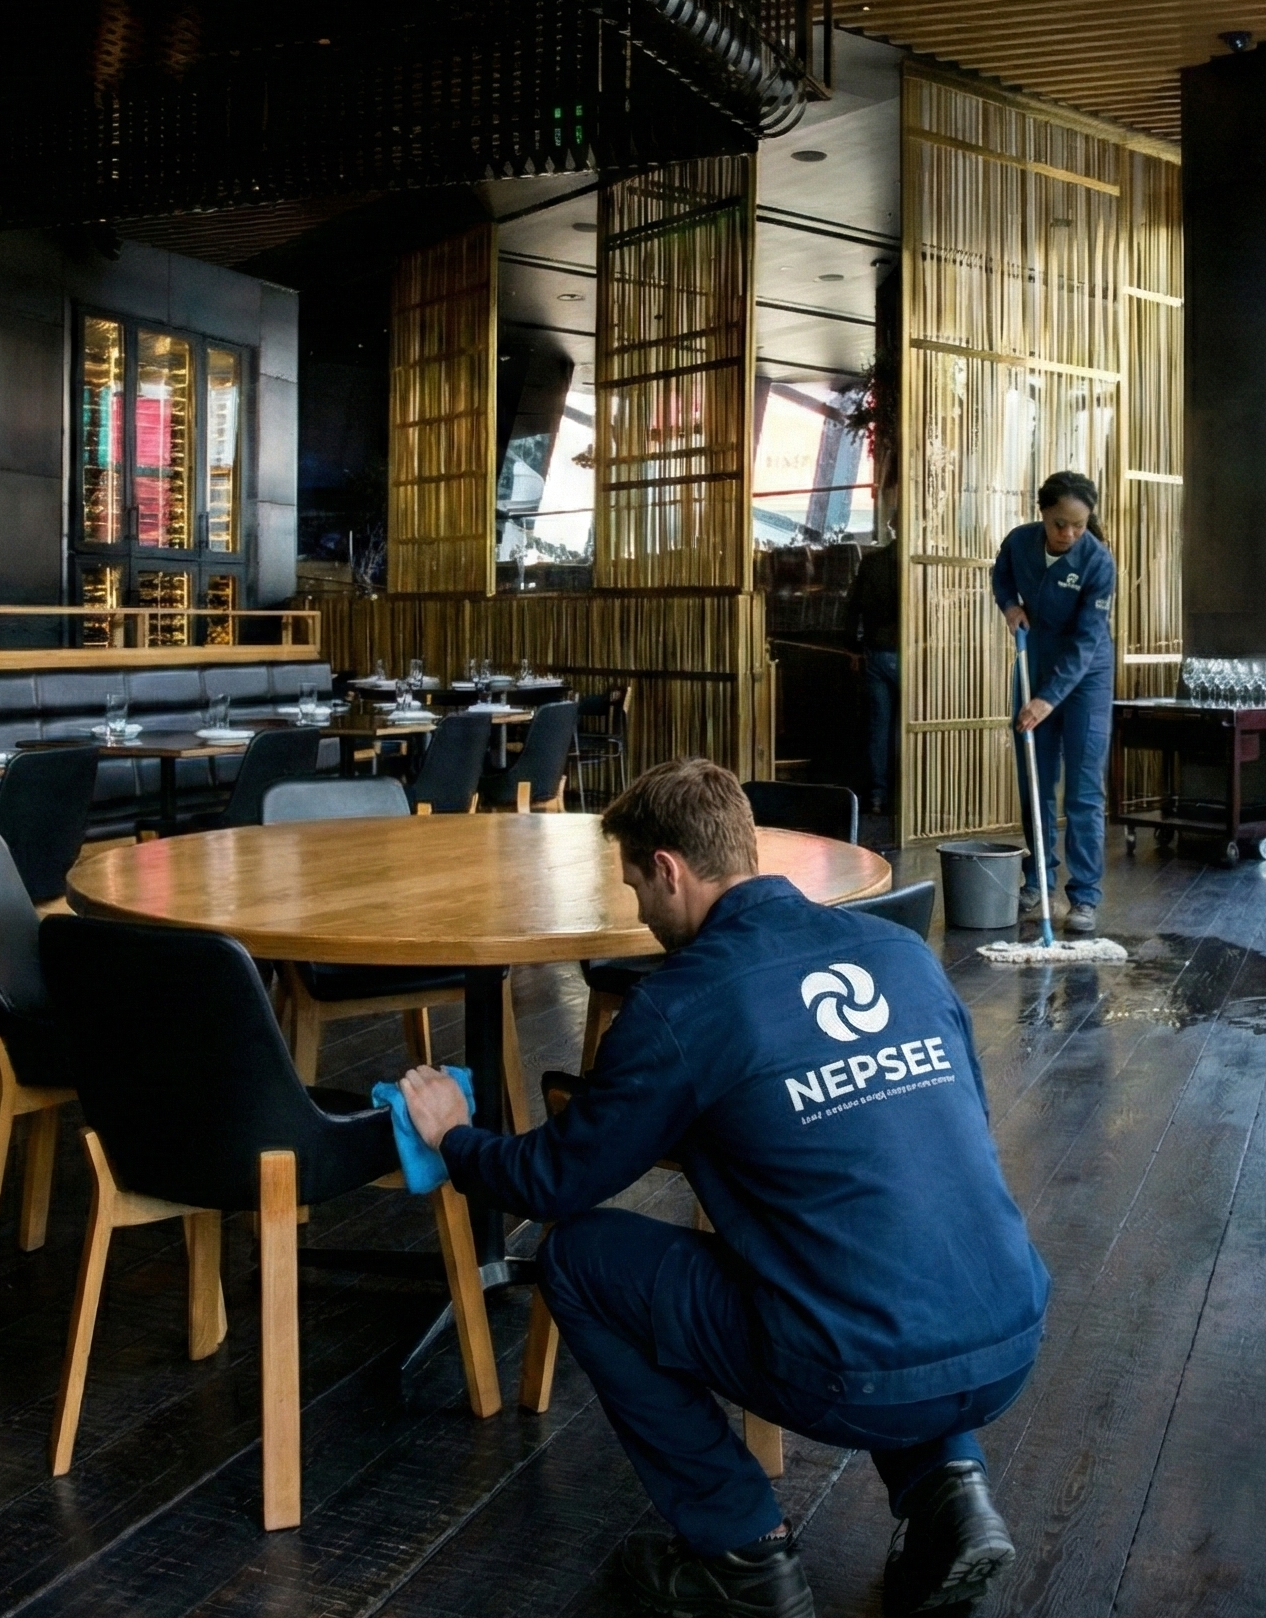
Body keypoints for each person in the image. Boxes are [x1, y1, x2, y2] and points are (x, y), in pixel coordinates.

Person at [397, 759, 1047, 1618]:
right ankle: (951, 1492)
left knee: (582, 1258)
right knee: (897, 1218)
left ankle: (742, 1550)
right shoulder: (901, 952)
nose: (636, 911)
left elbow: (554, 1180)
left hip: (854, 1373)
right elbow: (958, 1125)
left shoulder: (681, 1005)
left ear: (670, 867)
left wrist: (453, 1136)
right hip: (1010, 1335)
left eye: (636, 885)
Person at [991, 471, 1116, 931]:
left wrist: (1047, 700)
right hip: (1035, 662)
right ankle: (1037, 881)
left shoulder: (1098, 563)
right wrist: (1009, 607)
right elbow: (1001, 576)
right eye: (1060, 523)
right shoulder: (1021, 542)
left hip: (1086, 677)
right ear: (1042, 514)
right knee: (1035, 782)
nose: (1068, 534)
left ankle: (1084, 896)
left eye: (1078, 525)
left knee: (1083, 790)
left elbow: (1086, 644)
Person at [847, 532, 900, 815]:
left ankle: (878, 796)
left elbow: (853, 606)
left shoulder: (872, 563)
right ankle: (907, 793)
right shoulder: (914, 562)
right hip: (908, 652)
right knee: (908, 726)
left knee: (879, 727)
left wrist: (852, 647)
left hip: (876, 652)